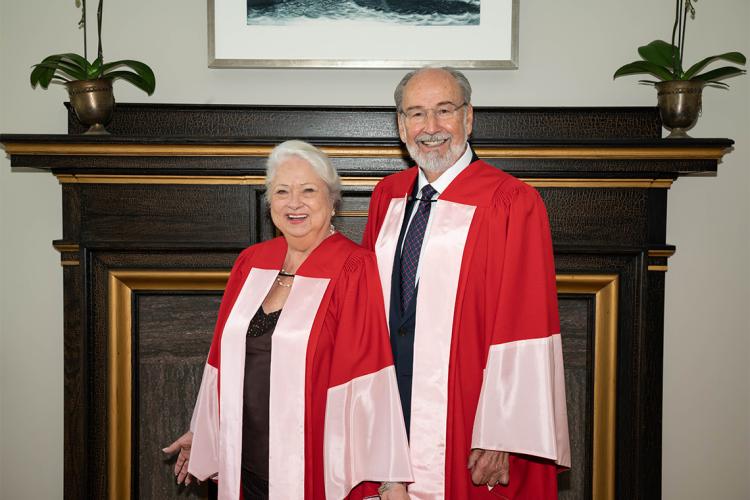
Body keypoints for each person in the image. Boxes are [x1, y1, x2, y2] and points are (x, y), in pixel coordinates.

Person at [361, 67, 570, 499]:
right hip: (391, 401)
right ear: (401, 126)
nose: (431, 128)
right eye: (416, 114)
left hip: (468, 412)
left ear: (469, 118)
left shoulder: (512, 202)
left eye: (444, 111)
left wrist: (504, 432)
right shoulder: (389, 195)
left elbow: (527, 325)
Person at [163, 140, 413, 500]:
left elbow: (370, 374)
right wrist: (204, 431)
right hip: (243, 460)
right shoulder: (251, 262)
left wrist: (389, 477)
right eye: (282, 191)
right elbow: (220, 359)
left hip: (310, 464)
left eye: (308, 190)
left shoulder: (352, 267)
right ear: (270, 204)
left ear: (332, 200)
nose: (294, 203)